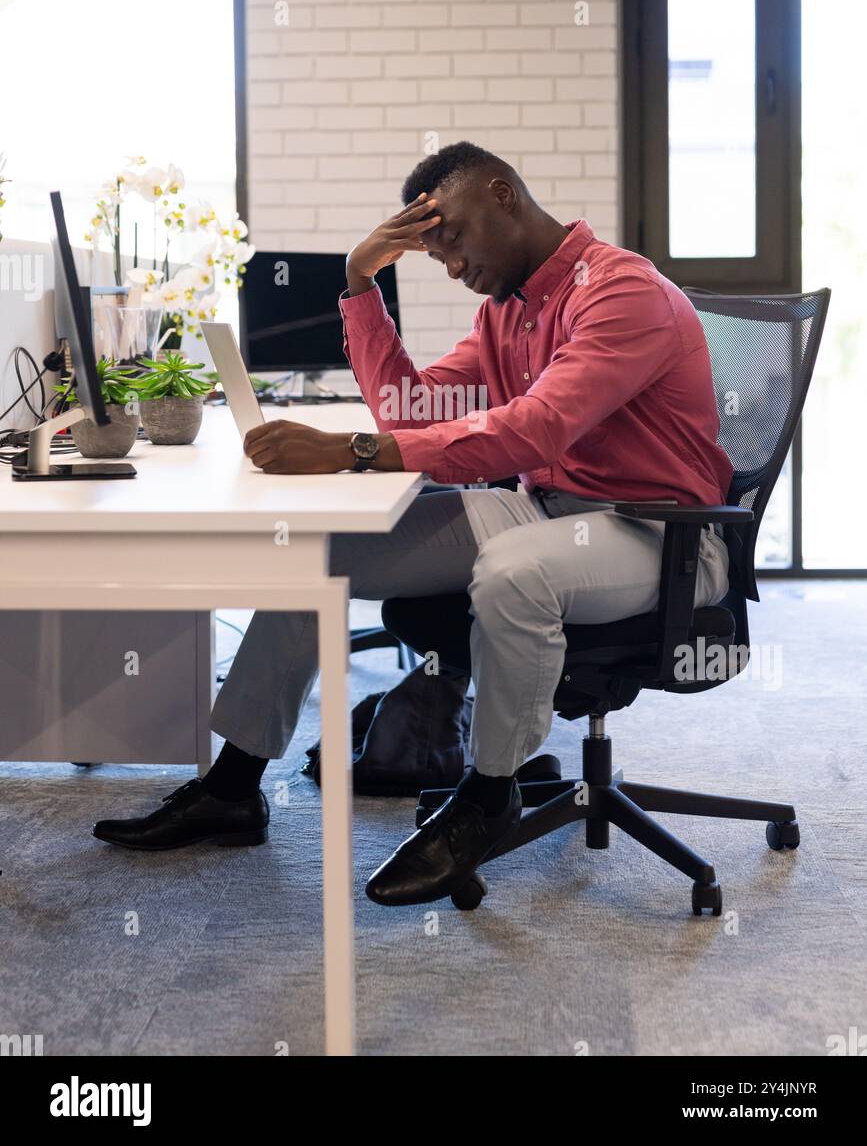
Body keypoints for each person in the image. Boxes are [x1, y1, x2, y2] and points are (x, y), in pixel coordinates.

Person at [93, 141, 733, 907]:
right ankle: (232, 787)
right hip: (544, 509)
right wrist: (360, 282)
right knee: (320, 554)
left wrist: (349, 451)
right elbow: (406, 411)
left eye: (454, 238)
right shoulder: (508, 314)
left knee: (515, 572)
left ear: (503, 194)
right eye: (435, 255)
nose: (453, 266)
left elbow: (535, 429)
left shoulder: (620, 291)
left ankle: (488, 798)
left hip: (661, 535)